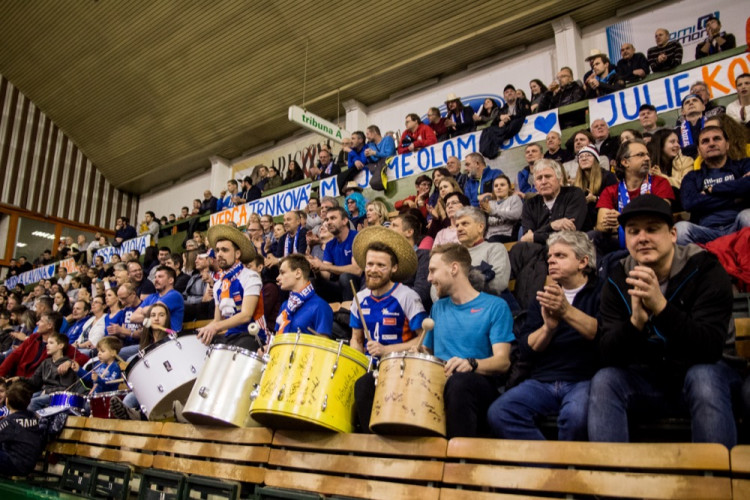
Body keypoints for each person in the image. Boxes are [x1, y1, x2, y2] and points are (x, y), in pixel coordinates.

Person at [588, 195, 741, 449]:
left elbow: (710, 348)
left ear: (672, 234)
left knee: (702, 376)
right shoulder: (618, 278)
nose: (642, 237)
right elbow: (607, 354)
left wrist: (660, 306)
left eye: (652, 229)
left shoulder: (705, 268)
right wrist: (635, 322)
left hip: (715, 375)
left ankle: (716, 483)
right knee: (605, 381)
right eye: (634, 232)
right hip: (651, 379)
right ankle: (612, 483)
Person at [488, 231, 601, 441]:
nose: (551, 260)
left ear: (583, 261)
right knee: (500, 412)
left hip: (583, 380)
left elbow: (602, 334)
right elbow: (526, 348)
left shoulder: (601, 292)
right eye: (550, 256)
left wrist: (566, 311)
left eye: (560, 256)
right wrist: (548, 329)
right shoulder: (542, 297)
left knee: (575, 417)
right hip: (541, 381)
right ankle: (548, 468)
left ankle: (565, 469)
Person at [421, 243, 513, 438]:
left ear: (454, 268)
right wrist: (419, 354)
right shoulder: (438, 308)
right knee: (370, 382)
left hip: (477, 386)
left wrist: (471, 363)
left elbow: (503, 361)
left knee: (459, 383)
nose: (429, 278)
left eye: (433, 271)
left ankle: (459, 462)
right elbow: (427, 353)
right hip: (439, 383)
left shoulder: (495, 306)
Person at [350, 228, 427, 430]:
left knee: (364, 387)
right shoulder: (359, 298)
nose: (373, 269)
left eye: (381, 265)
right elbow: (356, 340)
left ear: (394, 268)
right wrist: (360, 364)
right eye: (370, 264)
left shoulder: (407, 296)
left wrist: (387, 350)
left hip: (402, 369)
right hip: (370, 370)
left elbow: (423, 340)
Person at [195, 225, 266, 350]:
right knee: (200, 346)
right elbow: (217, 320)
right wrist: (204, 330)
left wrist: (215, 327)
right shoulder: (218, 285)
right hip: (230, 336)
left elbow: (246, 315)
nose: (219, 254)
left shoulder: (250, 277)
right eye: (217, 250)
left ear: (237, 253)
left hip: (253, 335)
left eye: (225, 250)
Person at [595, 140, 674, 251]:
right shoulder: (610, 191)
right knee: (594, 236)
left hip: (653, 237)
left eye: (647, 155)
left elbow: (661, 214)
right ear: (625, 162)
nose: (647, 158)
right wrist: (610, 225)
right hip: (620, 244)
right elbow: (601, 225)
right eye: (640, 155)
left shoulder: (660, 183)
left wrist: (623, 219)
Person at [676, 126, 750, 245]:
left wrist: (712, 189)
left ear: (727, 145)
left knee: (748, 216)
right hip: (706, 232)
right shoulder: (692, 177)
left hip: (739, 225)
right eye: (705, 141)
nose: (711, 144)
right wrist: (735, 198)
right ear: (699, 150)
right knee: (681, 230)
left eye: (717, 139)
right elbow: (689, 203)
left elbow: (748, 185)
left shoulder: (744, 165)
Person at [0, 311, 87, 379]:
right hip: (19, 378)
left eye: (41, 321)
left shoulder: (60, 343)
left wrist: (70, 362)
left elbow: (84, 358)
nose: (37, 323)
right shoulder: (34, 337)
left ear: (49, 325)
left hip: (35, 384)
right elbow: (15, 355)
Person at [520, 159, 588, 244]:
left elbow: (568, 234)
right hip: (538, 250)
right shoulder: (529, 204)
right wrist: (552, 225)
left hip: (570, 247)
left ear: (559, 179)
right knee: (519, 249)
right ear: (535, 185)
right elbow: (526, 238)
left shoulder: (574, 194)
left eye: (548, 176)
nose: (543, 182)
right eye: (539, 178)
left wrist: (535, 236)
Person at [307, 207, 361, 303]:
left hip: (358, 285)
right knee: (311, 282)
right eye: (327, 219)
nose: (328, 222)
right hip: (339, 286)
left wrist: (324, 266)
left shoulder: (357, 237)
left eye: (333, 218)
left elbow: (357, 270)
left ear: (344, 221)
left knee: (345, 277)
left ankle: (347, 313)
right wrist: (316, 268)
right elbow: (326, 276)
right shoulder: (330, 244)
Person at [455, 207, 511, 295]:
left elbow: (499, 282)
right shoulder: (453, 254)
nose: (459, 229)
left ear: (480, 227)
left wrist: (460, 294)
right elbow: (436, 286)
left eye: (464, 224)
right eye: (457, 225)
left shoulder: (495, 248)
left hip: (487, 304)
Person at [274, 255, 333, 337]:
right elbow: (276, 338)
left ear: (298, 273)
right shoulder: (285, 305)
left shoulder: (321, 306)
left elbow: (323, 346)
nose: (277, 278)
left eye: (282, 273)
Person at [19, 332, 78, 411]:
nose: (47, 345)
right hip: (44, 392)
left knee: (33, 402)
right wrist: (19, 379)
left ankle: (35, 423)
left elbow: (66, 388)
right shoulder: (46, 362)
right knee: (22, 399)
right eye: (47, 343)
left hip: (58, 396)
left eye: (51, 343)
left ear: (61, 346)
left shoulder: (66, 364)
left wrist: (47, 391)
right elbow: (35, 381)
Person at [0, 382, 45, 476]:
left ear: (7, 401)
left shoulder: (10, 422)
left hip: (15, 465)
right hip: (27, 465)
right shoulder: (33, 417)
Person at [572, 145, 618, 230]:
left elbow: (616, 200)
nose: (584, 158)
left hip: (605, 221)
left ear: (596, 160)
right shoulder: (577, 183)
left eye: (588, 155)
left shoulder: (608, 176)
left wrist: (596, 199)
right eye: (581, 157)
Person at [130, 266, 185, 333]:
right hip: (154, 340)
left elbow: (156, 310)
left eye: (160, 277)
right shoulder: (151, 297)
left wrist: (144, 312)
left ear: (171, 280)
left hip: (170, 339)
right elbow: (133, 318)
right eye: (155, 277)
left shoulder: (175, 295)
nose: (156, 280)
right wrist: (150, 316)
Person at [481, 174, 522, 243]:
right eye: (496, 186)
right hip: (488, 237)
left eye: (502, 185)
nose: (498, 188)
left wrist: (492, 211)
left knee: (492, 241)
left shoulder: (514, 199)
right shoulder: (490, 203)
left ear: (509, 188)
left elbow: (516, 215)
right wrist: (482, 213)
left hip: (506, 235)